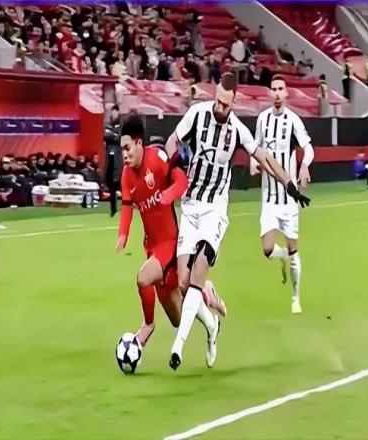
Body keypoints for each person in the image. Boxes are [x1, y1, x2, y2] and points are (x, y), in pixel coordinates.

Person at [164, 72, 311, 370]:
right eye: (218, 101)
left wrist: (289, 184)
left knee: (198, 274)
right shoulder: (197, 114)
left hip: (215, 210)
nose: (220, 108)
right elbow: (173, 140)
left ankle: (178, 346)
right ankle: (212, 326)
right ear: (215, 95)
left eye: (226, 105)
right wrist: (172, 164)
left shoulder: (238, 131)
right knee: (183, 283)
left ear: (234, 103)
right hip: (190, 207)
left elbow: (265, 159)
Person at [117, 115, 226, 355]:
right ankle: (207, 301)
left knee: (143, 279)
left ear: (138, 142)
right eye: (122, 149)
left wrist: (168, 195)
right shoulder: (126, 175)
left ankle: (147, 326)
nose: (124, 154)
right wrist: (123, 234)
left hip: (170, 244)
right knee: (178, 317)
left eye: (127, 148)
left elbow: (182, 181)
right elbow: (126, 205)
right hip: (151, 247)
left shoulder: (157, 158)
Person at [250, 75, 315, 315]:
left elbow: (308, 148)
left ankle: (296, 297)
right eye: (274, 89)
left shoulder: (293, 121)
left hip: (288, 199)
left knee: (293, 249)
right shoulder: (262, 119)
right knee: (267, 249)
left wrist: (305, 165)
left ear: (286, 93)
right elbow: (255, 147)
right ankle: (282, 258)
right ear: (270, 93)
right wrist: (253, 164)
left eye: (281, 89)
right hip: (269, 198)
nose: (277, 93)